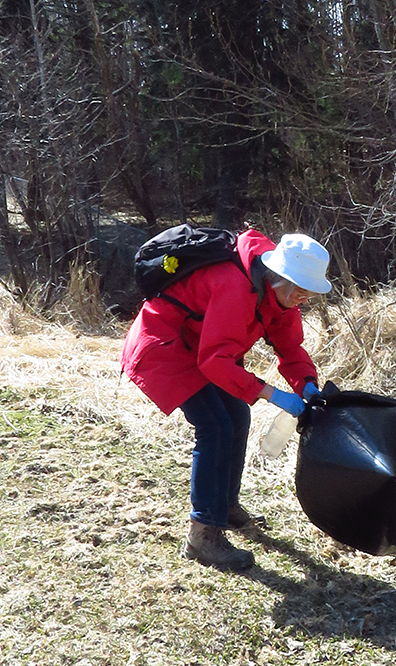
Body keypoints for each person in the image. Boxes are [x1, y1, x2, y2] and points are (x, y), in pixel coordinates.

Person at [120, 229, 331, 571]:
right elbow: (214, 361)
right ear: (282, 279)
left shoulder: (282, 295)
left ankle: (226, 507)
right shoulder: (235, 286)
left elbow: (290, 347)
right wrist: (273, 394)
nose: (306, 298)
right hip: (163, 348)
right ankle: (203, 534)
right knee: (215, 427)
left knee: (236, 414)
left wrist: (307, 385)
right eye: (303, 289)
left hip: (199, 346)